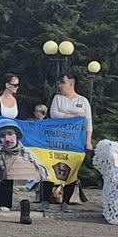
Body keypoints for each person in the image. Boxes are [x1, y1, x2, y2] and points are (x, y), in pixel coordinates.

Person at [46, 73, 95, 205]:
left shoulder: (83, 101)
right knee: (51, 167)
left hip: (74, 141)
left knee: (71, 170)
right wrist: (72, 116)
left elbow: (88, 122)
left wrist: (88, 141)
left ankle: (66, 201)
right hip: (57, 139)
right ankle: (46, 198)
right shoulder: (57, 98)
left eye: (63, 83)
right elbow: (54, 114)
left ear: (71, 84)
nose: (60, 86)